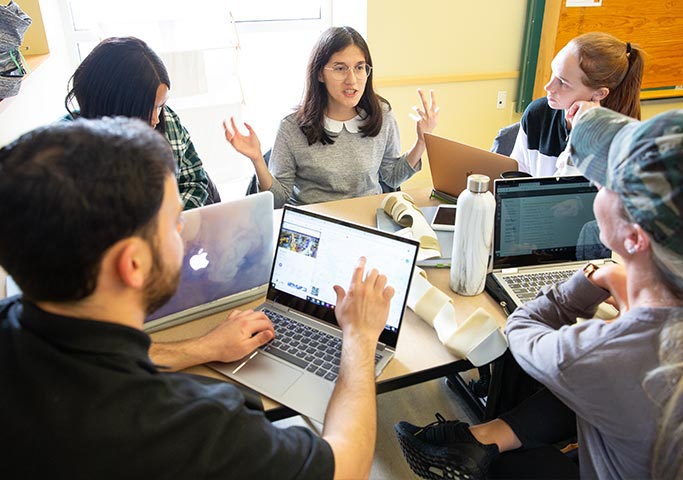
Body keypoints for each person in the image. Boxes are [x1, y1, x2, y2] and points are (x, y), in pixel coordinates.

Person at [0, 117, 396, 479]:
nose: (186, 234)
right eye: (175, 222)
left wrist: (201, 346)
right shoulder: (194, 427)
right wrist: (360, 338)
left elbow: (97, 353)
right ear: (133, 264)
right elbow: (348, 464)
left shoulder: (14, 322)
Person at [395, 106, 683, 480]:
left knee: (510, 466)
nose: (596, 187)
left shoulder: (604, 351)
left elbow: (522, 329)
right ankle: (476, 440)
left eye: (607, 184)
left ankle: (472, 444)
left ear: (633, 237)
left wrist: (590, 278)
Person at [224, 26, 439, 208]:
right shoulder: (291, 128)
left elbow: (392, 177)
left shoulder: (381, 114)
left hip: (367, 219)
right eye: (340, 68)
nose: (352, 80)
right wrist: (257, 159)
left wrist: (421, 141)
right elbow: (278, 200)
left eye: (359, 68)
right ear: (319, 74)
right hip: (313, 225)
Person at [65, 36, 219, 210]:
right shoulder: (71, 150)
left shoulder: (168, 120)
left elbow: (195, 181)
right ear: (117, 105)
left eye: (161, 106)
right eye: (148, 108)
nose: (156, 119)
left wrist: (174, 220)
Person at [510, 31, 645, 177]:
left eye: (563, 82)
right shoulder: (538, 113)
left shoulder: (618, 141)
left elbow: (569, 194)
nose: (548, 87)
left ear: (599, 93)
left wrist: (581, 135)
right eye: (553, 72)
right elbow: (516, 175)